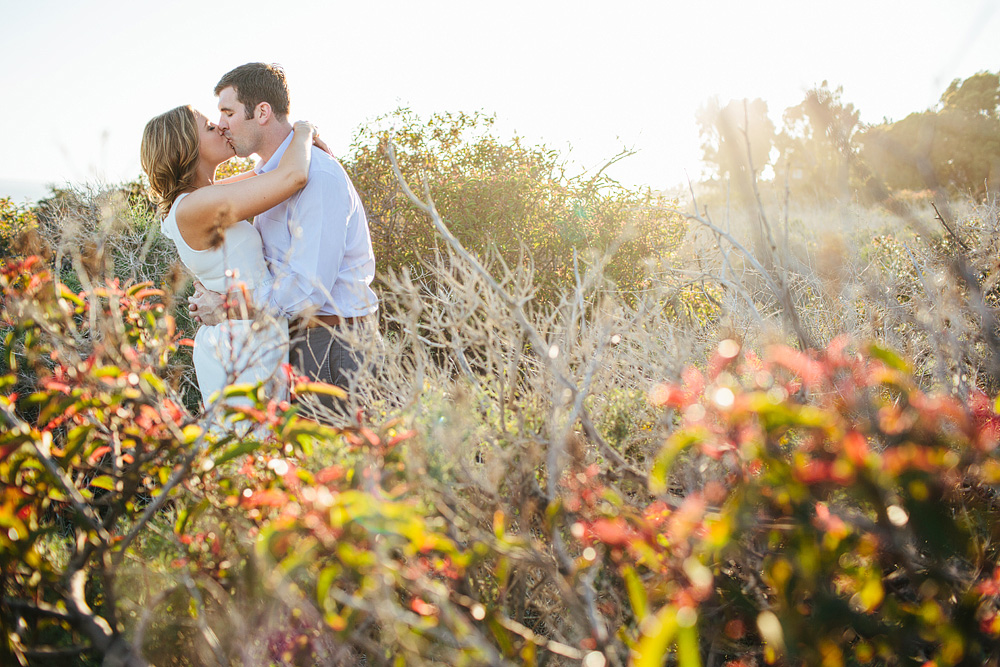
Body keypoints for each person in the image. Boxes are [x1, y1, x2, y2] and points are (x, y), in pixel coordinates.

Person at [190, 63, 379, 422]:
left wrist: (229, 307)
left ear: (261, 112)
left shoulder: (317, 177)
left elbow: (309, 289)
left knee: (334, 467)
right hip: (288, 340)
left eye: (228, 112)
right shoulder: (272, 176)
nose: (223, 124)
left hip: (332, 345)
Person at [140, 104, 323, 415]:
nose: (222, 128)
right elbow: (291, 177)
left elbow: (265, 174)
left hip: (251, 330)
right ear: (187, 146)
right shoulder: (196, 206)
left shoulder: (201, 197)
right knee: (252, 443)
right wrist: (304, 130)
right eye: (210, 128)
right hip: (240, 341)